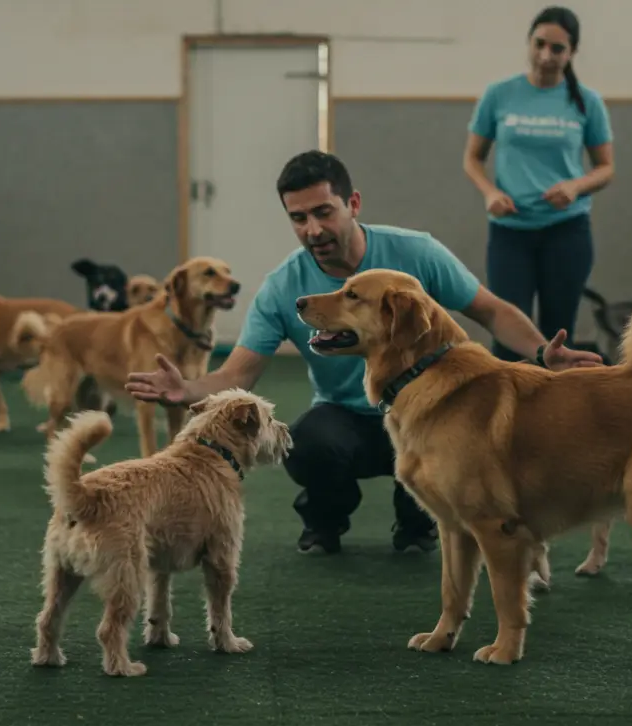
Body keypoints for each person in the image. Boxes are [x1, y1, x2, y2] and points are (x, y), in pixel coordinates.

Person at [126, 150, 603, 556]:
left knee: (449, 435)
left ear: (352, 204)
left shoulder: (416, 254)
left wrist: (542, 352)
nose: (313, 229)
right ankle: (325, 519)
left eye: (323, 212)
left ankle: (417, 525)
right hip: (347, 418)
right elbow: (238, 374)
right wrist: (188, 389)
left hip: (426, 413)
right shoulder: (282, 287)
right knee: (307, 443)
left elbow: (492, 312)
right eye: (299, 218)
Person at [462, 5, 616, 364]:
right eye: (539, 44)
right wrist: (491, 193)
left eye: (557, 49)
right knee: (507, 332)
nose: (546, 55)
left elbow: (605, 168)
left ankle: (554, 415)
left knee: (557, 334)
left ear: (572, 52)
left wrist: (576, 187)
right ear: (529, 43)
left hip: (567, 232)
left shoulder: (587, 102)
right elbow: (472, 158)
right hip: (510, 233)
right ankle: (508, 415)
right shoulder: (499, 94)